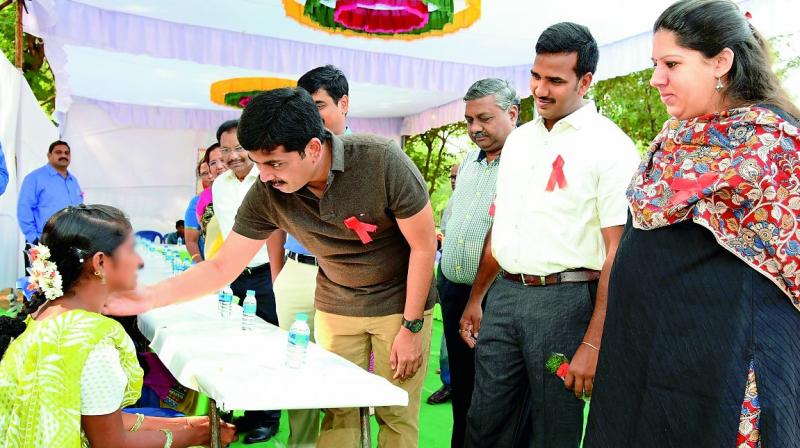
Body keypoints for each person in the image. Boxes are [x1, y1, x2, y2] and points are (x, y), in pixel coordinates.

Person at [106, 87, 437, 448]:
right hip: (337, 303)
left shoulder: (381, 161)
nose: (263, 176)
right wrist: (146, 298)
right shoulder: (268, 191)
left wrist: (412, 325)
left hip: (398, 302)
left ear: (313, 148)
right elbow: (220, 267)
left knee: (395, 412)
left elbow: (422, 246)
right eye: (258, 163)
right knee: (338, 409)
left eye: (275, 163)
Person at [585, 1, 800, 446]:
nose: (655, 78)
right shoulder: (672, 137)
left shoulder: (773, 144)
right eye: (655, 64)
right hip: (646, 350)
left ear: (721, 61)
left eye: (671, 64)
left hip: (725, 359)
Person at [459, 23, 640, 447]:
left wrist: (593, 343)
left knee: (553, 427)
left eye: (555, 80)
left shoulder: (610, 146)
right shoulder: (519, 141)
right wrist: (477, 297)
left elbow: (618, 251)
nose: (540, 90)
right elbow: (501, 224)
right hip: (503, 298)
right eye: (536, 77)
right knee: (484, 420)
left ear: (585, 81)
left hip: (565, 305)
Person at [0, 204, 237, 448]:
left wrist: (188, 425)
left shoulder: (44, 313)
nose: (139, 261)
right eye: (131, 250)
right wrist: (199, 436)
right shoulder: (92, 342)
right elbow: (111, 443)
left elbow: (96, 417)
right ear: (100, 263)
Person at [268, 64, 352, 448]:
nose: (312, 116)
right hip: (297, 274)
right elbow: (274, 224)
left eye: (319, 105)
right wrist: (278, 273)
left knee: (340, 369)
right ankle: (299, 442)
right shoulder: (288, 155)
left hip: (347, 280)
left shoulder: (367, 157)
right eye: (305, 106)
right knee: (295, 365)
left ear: (343, 104)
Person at [435, 78, 519, 447]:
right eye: (469, 120)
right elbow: (453, 218)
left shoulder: (525, 158)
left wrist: (478, 297)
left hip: (495, 298)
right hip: (455, 290)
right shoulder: (469, 160)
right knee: (463, 388)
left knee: (494, 395)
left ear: (512, 113)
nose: (474, 129)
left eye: (483, 118)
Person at [213, 119, 283, 444]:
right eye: (225, 149)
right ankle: (246, 411)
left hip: (266, 275)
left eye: (238, 147)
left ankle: (267, 419)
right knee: (239, 347)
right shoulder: (219, 185)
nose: (232, 155)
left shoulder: (269, 178)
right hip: (234, 278)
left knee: (268, 347)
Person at [17, 140, 84, 244]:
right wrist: (34, 239)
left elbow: (80, 209)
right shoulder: (35, 178)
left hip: (71, 241)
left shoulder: (73, 181)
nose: (63, 155)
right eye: (58, 152)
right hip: (43, 242)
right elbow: (24, 209)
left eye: (67, 153)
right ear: (49, 155)